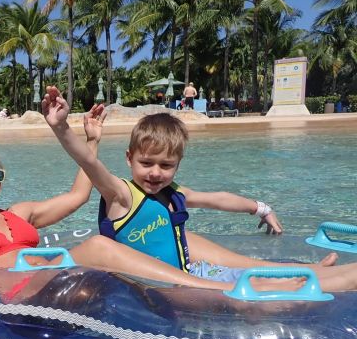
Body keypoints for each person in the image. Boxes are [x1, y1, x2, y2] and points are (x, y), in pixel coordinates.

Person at [0, 86, 331, 293]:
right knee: (99, 246)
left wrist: (92, 139)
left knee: (187, 237)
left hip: (50, 276)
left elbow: (79, 195)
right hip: (18, 289)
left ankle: (296, 271)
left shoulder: (21, 215)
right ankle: (220, 290)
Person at [43, 105, 357, 292]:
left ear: (177, 164)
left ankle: (310, 271)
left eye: (166, 165)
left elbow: (218, 199)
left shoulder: (173, 193)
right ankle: (323, 281)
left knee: (259, 271)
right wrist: (61, 128)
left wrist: (261, 208)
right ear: (129, 158)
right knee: (261, 289)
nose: (155, 173)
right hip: (160, 288)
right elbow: (89, 162)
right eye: (146, 163)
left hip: (189, 274)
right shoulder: (121, 196)